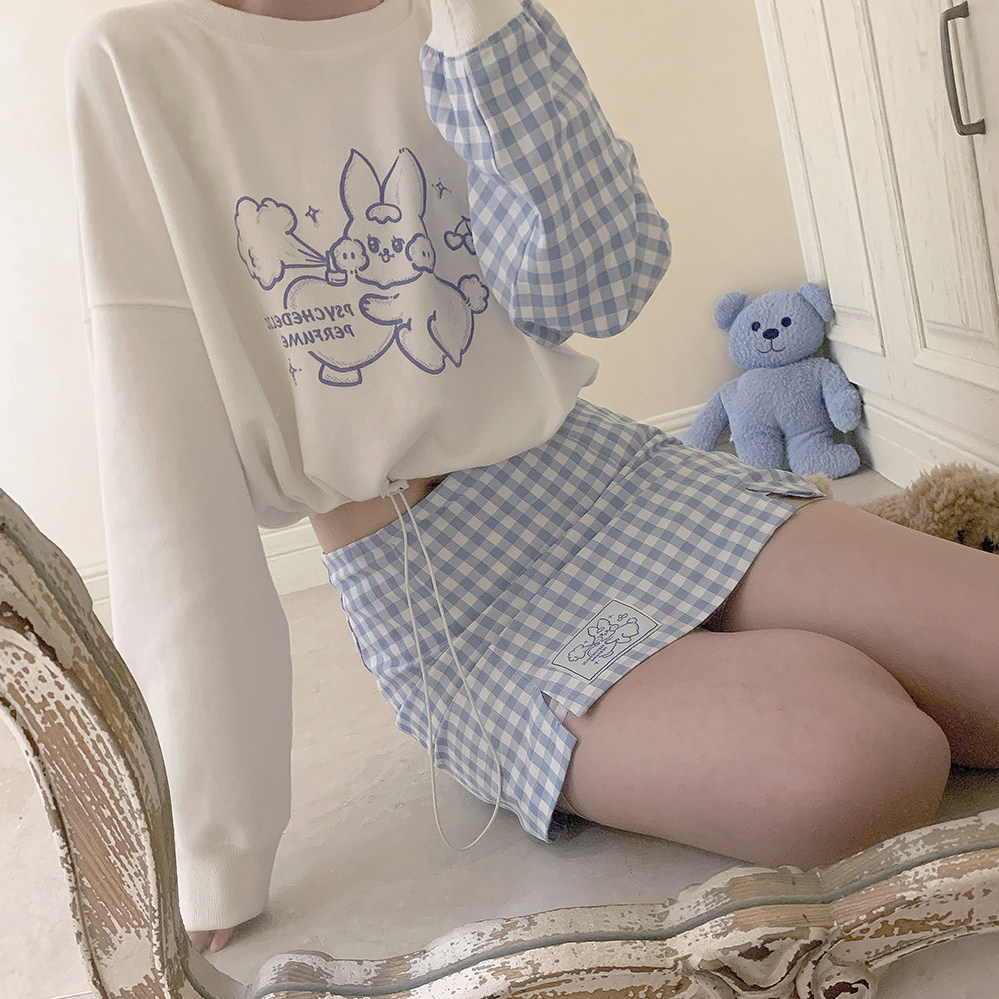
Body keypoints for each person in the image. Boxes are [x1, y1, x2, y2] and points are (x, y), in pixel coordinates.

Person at [65, 0, 999, 958]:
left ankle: (801, 643)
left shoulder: (461, 16)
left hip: (612, 479)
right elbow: (168, 483)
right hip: (455, 601)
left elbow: (600, 288)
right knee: (867, 765)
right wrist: (210, 842)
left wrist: (482, 25)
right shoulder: (138, 61)